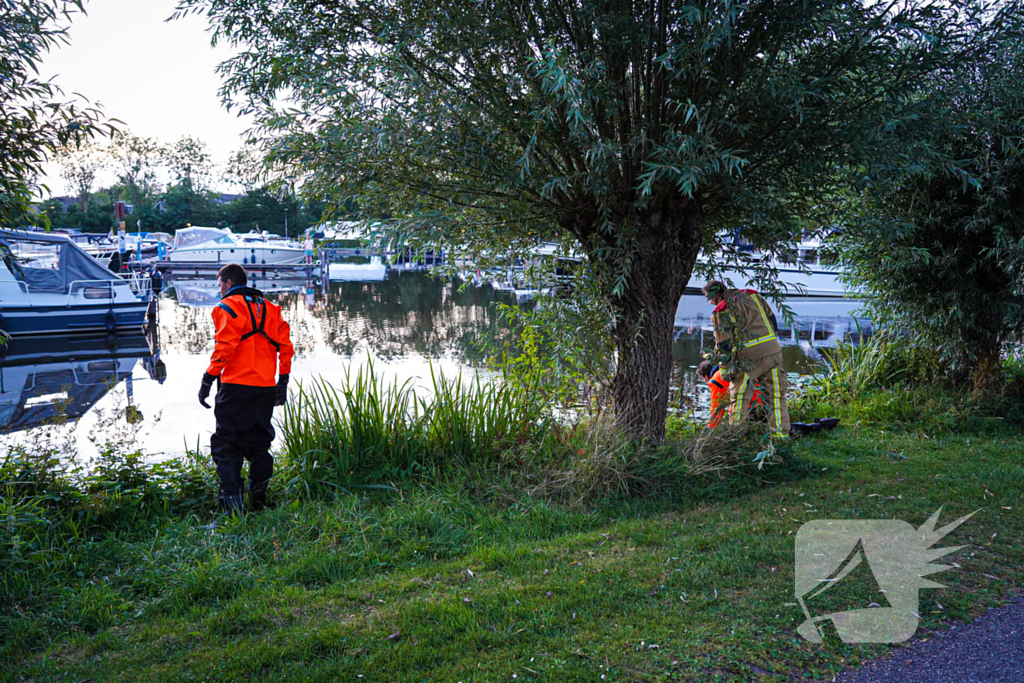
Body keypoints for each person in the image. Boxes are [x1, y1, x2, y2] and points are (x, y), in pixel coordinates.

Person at [198, 263, 295, 515]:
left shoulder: (226, 307)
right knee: (259, 443)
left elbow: (224, 349)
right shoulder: (272, 309)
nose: (219, 291)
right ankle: (259, 502)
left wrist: (207, 380)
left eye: (219, 285)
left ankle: (231, 511)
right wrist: (282, 382)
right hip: (265, 388)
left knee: (226, 445)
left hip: (235, 387)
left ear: (228, 283)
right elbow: (285, 348)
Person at [703, 280, 791, 438]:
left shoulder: (721, 311)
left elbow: (724, 344)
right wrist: (770, 343)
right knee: (776, 396)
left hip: (746, 360)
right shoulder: (753, 296)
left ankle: (735, 439)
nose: (710, 302)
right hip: (773, 352)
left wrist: (725, 370)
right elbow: (772, 321)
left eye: (709, 298)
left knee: (739, 398)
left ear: (717, 295)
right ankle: (781, 437)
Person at [695, 360, 766, 430]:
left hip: (749, 407)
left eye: (703, 379)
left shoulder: (715, 381)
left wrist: (710, 429)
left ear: (706, 376)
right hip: (763, 403)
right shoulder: (727, 370)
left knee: (738, 430)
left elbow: (716, 409)